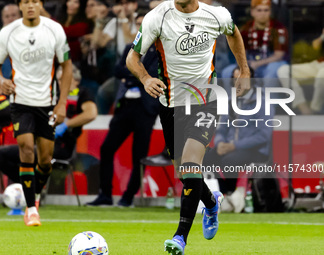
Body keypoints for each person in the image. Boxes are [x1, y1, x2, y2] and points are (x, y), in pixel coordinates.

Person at [126, 0, 250, 254]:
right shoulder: (157, 17)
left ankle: (180, 237)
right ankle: (211, 201)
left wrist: (245, 70)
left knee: (192, 165)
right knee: (185, 174)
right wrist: (146, 77)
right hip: (171, 105)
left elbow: (233, 32)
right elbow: (132, 57)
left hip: (207, 101)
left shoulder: (216, 15)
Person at [0, 0, 72, 227]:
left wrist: (62, 103)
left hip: (48, 103)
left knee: (45, 160)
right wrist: (1, 80)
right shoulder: (8, 32)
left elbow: (67, 65)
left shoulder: (54, 29)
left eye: (35, 1)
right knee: (26, 148)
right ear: (20, 6)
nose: (30, 6)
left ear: (40, 4)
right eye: (26, 2)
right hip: (20, 102)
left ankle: (33, 197)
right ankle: (32, 209)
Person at [86, 12, 160, 207]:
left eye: (143, 23)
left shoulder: (161, 51)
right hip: (124, 106)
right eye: (137, 24)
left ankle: (128, 197)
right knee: (107, 148)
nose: (140, 27)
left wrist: (133, 73)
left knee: (139, 155)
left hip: (145, 108)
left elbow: (153, 75)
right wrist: (138, 74)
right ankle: (105, 195)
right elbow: (118, 71)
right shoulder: (130, 47)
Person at [0, 65, 97, 190]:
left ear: (76, 80)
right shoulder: (52, 93)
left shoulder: (82, 93)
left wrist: (66, 125)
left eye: (64, 79)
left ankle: (30, 188)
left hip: (61, 146)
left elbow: (91, 113)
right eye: (58, 80)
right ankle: (31, 187)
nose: (60, 83)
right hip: (41, 141)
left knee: (26, 155)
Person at [203, 67, 272, 213]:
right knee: (206, 158)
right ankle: (225, 194)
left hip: (255, 150)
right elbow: (221, 129)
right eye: (235, 79)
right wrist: (220, 143)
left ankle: (228, 194)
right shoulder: (230, 101)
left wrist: (234, 145)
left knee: (229, 160)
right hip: (229, 148)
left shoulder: (263, 102)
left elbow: (263, 136)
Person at [222, 0, 288, 82]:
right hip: (250, 63)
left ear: (270, 12)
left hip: (272, 63)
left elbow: (278, 56)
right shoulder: (245, 29)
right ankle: (232, 94)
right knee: (227, 72)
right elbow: (241, 53)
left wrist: (257, 63)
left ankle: (269, 94)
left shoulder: (278, 28)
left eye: (266, 10)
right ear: (252, 12)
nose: (262, 13)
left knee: (271, 72)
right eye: (259, 10)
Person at [277, 28, 324, 114]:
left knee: (322, 74)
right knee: (284, 70)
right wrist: (322, 36)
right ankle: (303, 108)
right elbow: (315, 46)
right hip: (318, 64)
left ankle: (315, 110)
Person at [59, 0, 91, 67]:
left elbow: (64, 32)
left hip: (74, 64)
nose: (71, 4)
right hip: (56, 61)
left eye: (76, 2)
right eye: (69, 1)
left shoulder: (83, 24)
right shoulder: (60, 21)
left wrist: (46, 15)